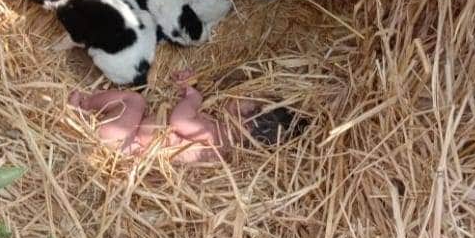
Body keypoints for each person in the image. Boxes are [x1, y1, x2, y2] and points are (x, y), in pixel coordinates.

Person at [68, 70, 303, 163]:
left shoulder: (217, 133)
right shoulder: (226, 144)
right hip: (135, 147)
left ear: (248, 122)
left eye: (251, 100)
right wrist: (190, 87)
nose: (243, 94)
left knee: (134, 100)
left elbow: (179, 121)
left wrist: (192, 97)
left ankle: (83, 107)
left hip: (125, 142)